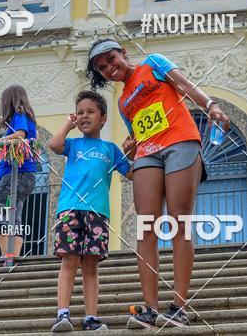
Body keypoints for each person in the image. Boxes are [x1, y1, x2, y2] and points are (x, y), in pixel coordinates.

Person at [87, 38, 229, 329]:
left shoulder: (154, 63)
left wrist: (210, 105)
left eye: (111, 59)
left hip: (180, 142)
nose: (109, 69)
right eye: (102, 68)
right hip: (148, 153)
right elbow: (140, 129)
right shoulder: (122, 101)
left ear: (123, 53)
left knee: (179, 222)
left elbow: (185, 85)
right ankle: (150, 309)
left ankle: (178, 306)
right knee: (146, 227)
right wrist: (130, 144)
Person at [48, 89, 135, 332]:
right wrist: (68, 124)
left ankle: (90, 317)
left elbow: (130, 172)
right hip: (70, 209)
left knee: (91, 266)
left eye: (90, 112)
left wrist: (131, 152)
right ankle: (62, 314)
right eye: (79, 113)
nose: (84, 116)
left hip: (98, 213)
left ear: (103, 118)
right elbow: (54, 144)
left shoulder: (110, 149)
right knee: (69, 261)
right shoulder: (73, 144)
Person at [0, 84, 38, 262]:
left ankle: (7, 254)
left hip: (17, 173)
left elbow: (20, 135)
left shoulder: (19, 114)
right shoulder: (28, 118)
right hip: (22, 174)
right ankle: (13, 257)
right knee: (13, 215)